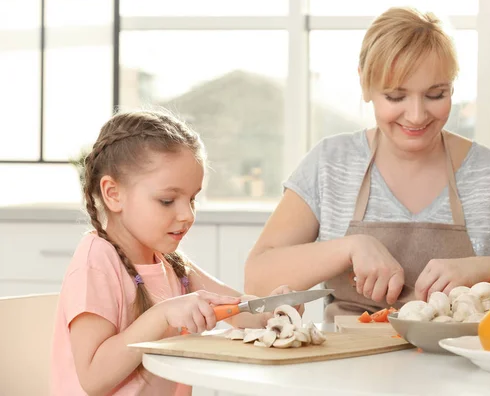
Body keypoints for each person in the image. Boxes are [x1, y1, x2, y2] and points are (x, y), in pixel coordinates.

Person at [244, 7, 490, 322]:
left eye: (436, 94)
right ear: (365, 83)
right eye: (396, 96)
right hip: (347, 376)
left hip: (465, 378)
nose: (417, 115)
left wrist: (488, 270)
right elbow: (257, 278)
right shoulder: (329, 165)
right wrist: (350, 247)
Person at [51, 109, 302, 395]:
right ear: (113, 193)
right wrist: (161, 316)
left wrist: (273, 310)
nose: (187, 214)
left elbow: (235, 309)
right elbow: (93, 378)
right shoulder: (95, 263)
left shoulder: (173, 265)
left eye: (192, 198)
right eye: (167, 200)